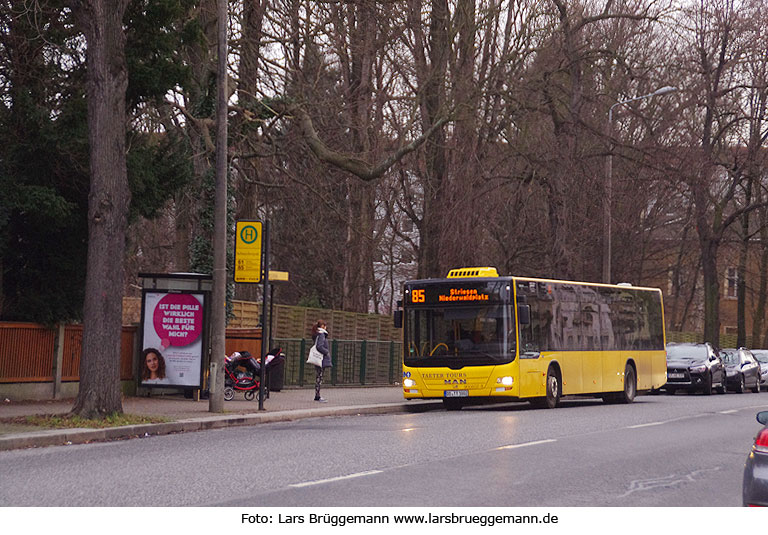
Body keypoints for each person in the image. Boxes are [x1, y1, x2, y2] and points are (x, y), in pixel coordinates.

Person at [311, 320, 331, 402]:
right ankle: (317, 396)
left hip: (318, 358)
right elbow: (319, 346)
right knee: (319, 377)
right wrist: (326, 352)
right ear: (323, 326)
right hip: (321, 358)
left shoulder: (317, 334)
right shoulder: (322, 334)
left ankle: (317, 395)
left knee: (318, 376)